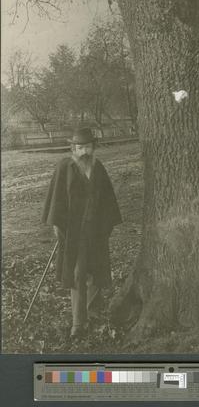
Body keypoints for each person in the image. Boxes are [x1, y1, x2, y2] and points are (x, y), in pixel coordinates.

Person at [42, 127, 122, 338]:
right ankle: (78, 323)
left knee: (96, 271)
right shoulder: (64, 167)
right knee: (77, 273)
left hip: (96, 231)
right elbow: (57, 199)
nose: (84, 151)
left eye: (87, 147)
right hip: (74, 232)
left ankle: (93, 313)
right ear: (73, 148)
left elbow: (108, 199)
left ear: (93, 147)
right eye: (80, 147)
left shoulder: (98, 168)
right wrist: (57, 225)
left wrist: (106, 224)